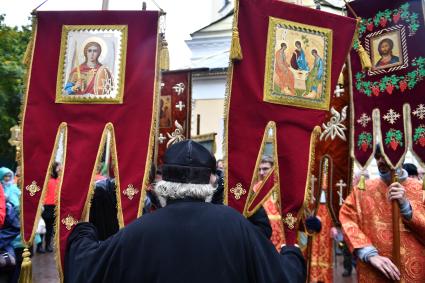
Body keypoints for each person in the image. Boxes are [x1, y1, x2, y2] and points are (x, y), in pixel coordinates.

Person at [65, 140, 306, 283]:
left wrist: (82, 231)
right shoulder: (235, 224)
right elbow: (282, 278)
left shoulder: (140, 229)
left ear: (164, 183)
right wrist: (292, 253)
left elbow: (87, 271)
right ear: (209, 182)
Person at [340, 145, 425, 282]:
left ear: (401, 156)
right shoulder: (362, 190)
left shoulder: (420, 189)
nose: (380, 160)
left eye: (385, 154)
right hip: (374, 273)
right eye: (377, 156)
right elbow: (347, 219)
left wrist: (406, 208)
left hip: (413, 273)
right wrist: (368, 253)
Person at [253, 155, 285, 250]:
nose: (261, 173)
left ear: (273, 169)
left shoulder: (282, 187)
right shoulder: (254, 189)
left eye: (265, 169)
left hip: (281, 234)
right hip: (263, 234)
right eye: (259, 169)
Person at [39, 162, 61, 253]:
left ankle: (48, 245)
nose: (59, 170)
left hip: (55, 206)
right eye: (58, 168)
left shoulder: (59, 180)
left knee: (50, 228)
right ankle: (40, 246)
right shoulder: (46, 180)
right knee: (42, 227)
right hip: (45, 206)